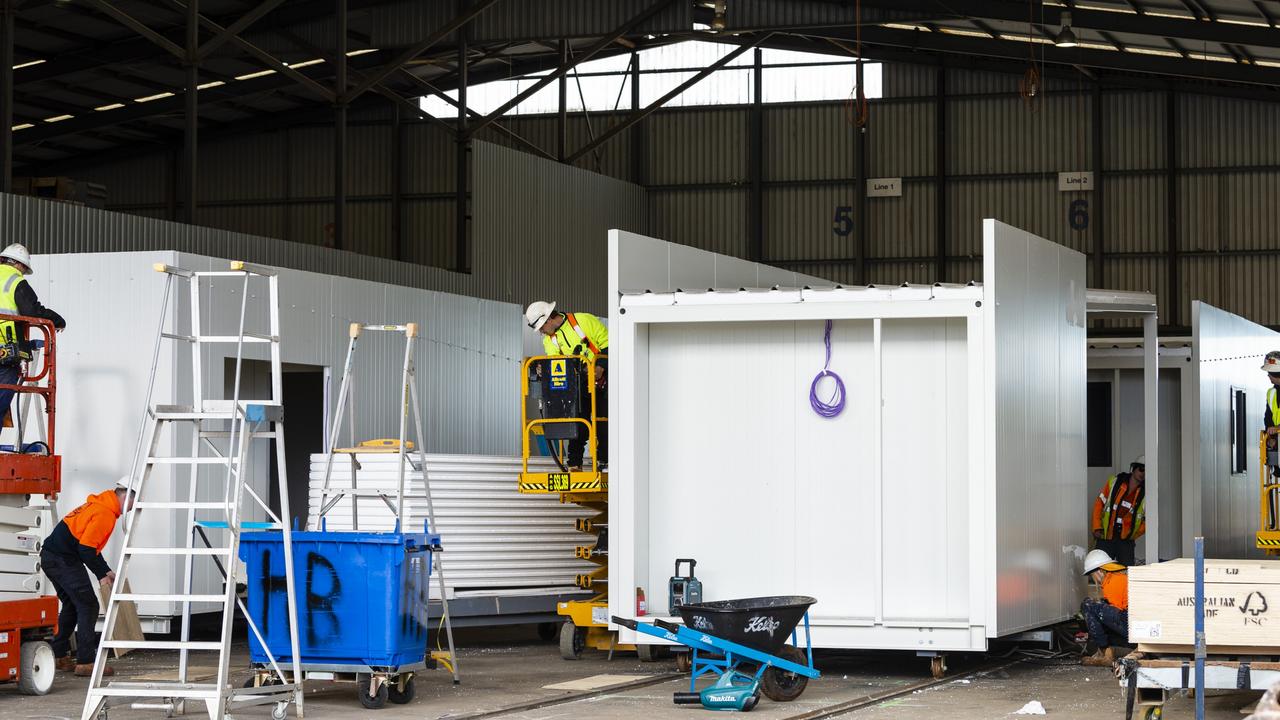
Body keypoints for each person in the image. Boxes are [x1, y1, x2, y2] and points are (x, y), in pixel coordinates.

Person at [40, 478, 135, 676]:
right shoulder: (104, 513)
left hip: (52, 556)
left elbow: (86, 546)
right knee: (88, 605)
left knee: (73, 605)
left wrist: (106, 570)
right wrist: (101, 574)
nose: (135, 507)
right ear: (126, 496)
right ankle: (85, 662)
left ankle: (58, 655)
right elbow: (86, 549)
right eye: (136, 501)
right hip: (63, 559)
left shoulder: (100, 504)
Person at [524, 300, 609, 471]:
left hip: (603, 381)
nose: (541, 332)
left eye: (541, 328)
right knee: (577, 422)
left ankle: (605, 460)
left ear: (548, 319)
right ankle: (574, 463)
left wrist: (600, 367)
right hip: (577, 385)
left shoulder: (583, 321)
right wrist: (545, 370)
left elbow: (608, 342)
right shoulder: (550, 341)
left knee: (604, 421)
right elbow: (558, 365)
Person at [0, 243, 66, 425]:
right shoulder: (14, 280)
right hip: (5, 349)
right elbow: (33, 311)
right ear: (19, 264)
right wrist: (58, 320)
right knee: (1, 399)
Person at [1091, 455, 1146, 567]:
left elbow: (1148, 521)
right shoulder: (1115, 482)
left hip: (1126, 541)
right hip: (1106, 535)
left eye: (1147, 471)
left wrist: (1133, 534)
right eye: (1141, 469)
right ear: (1134, 468)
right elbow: (1099, 503)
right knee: (1101, 569)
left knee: (1126, 572)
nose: (1143, 473)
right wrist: (1096, 526)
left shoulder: (1147, 493)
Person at [1080, 549, 1129, 667]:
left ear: (1100, 571)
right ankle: (1109, 649)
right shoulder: (1119, 577)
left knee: (1087, 605)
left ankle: (1102, 650)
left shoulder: (1112, 581)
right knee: (1099, 605)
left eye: (1092, 575)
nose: (1094, 579)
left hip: (1129, 622)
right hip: (1131, 621)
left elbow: (1117, 612)